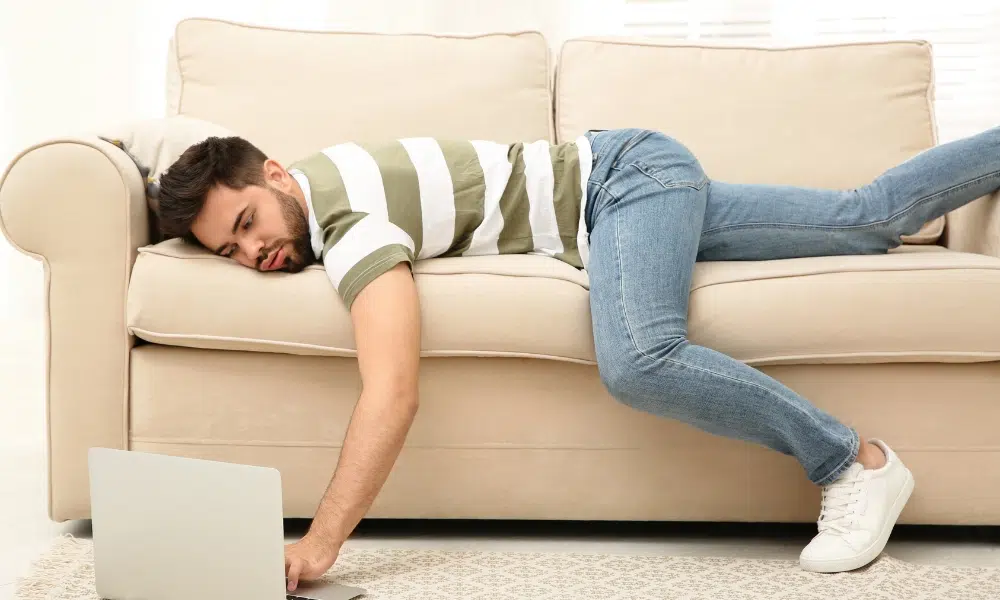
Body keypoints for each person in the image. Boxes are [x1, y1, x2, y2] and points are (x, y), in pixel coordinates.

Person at [155, 126, 1000, 591]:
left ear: (273, 172)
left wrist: (320, 543)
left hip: (622, 186)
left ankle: (853, 460)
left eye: (247, 225)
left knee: (641, 359)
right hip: (636, 171)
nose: (253, 252)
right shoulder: (308, 178)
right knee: (870, 218)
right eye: (228, 251)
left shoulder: (348, 224)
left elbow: (393, 391)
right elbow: (149, 140)